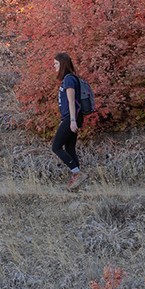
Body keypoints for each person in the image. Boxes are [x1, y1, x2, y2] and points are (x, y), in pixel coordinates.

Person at [52, 52, 84, 190]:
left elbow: (71, 101)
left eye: (56, 64)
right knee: (69, 148)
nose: (54, 66)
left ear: (63, 64)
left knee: (56, 147)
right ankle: (78, 183)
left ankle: (77, 173)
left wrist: (72, 121)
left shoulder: (69, 79)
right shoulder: (67, 79)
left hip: (73, 117)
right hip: (70, 117)